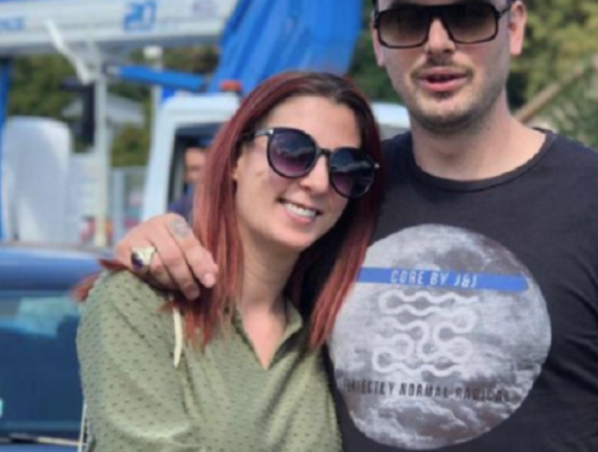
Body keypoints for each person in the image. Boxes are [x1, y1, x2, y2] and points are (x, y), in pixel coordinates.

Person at [114, 0, 598, 450]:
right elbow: (223, 274)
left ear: (515, 27)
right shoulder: (343, 189)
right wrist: (153, 244)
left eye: (469, 16)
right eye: (406, 20)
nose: (437, 42)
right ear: (378, 41)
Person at [77, 71, 383, 451]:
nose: (319, 182)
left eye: (347, 167)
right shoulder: (137, 301)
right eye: (292, 151)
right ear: (236, 157)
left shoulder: (330, 328)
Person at [167, 141, 208, 222]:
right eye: (196, 169)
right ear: (186, 176)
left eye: (207, 167)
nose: (204, 173)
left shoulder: (231, 204)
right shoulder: (178, 211)